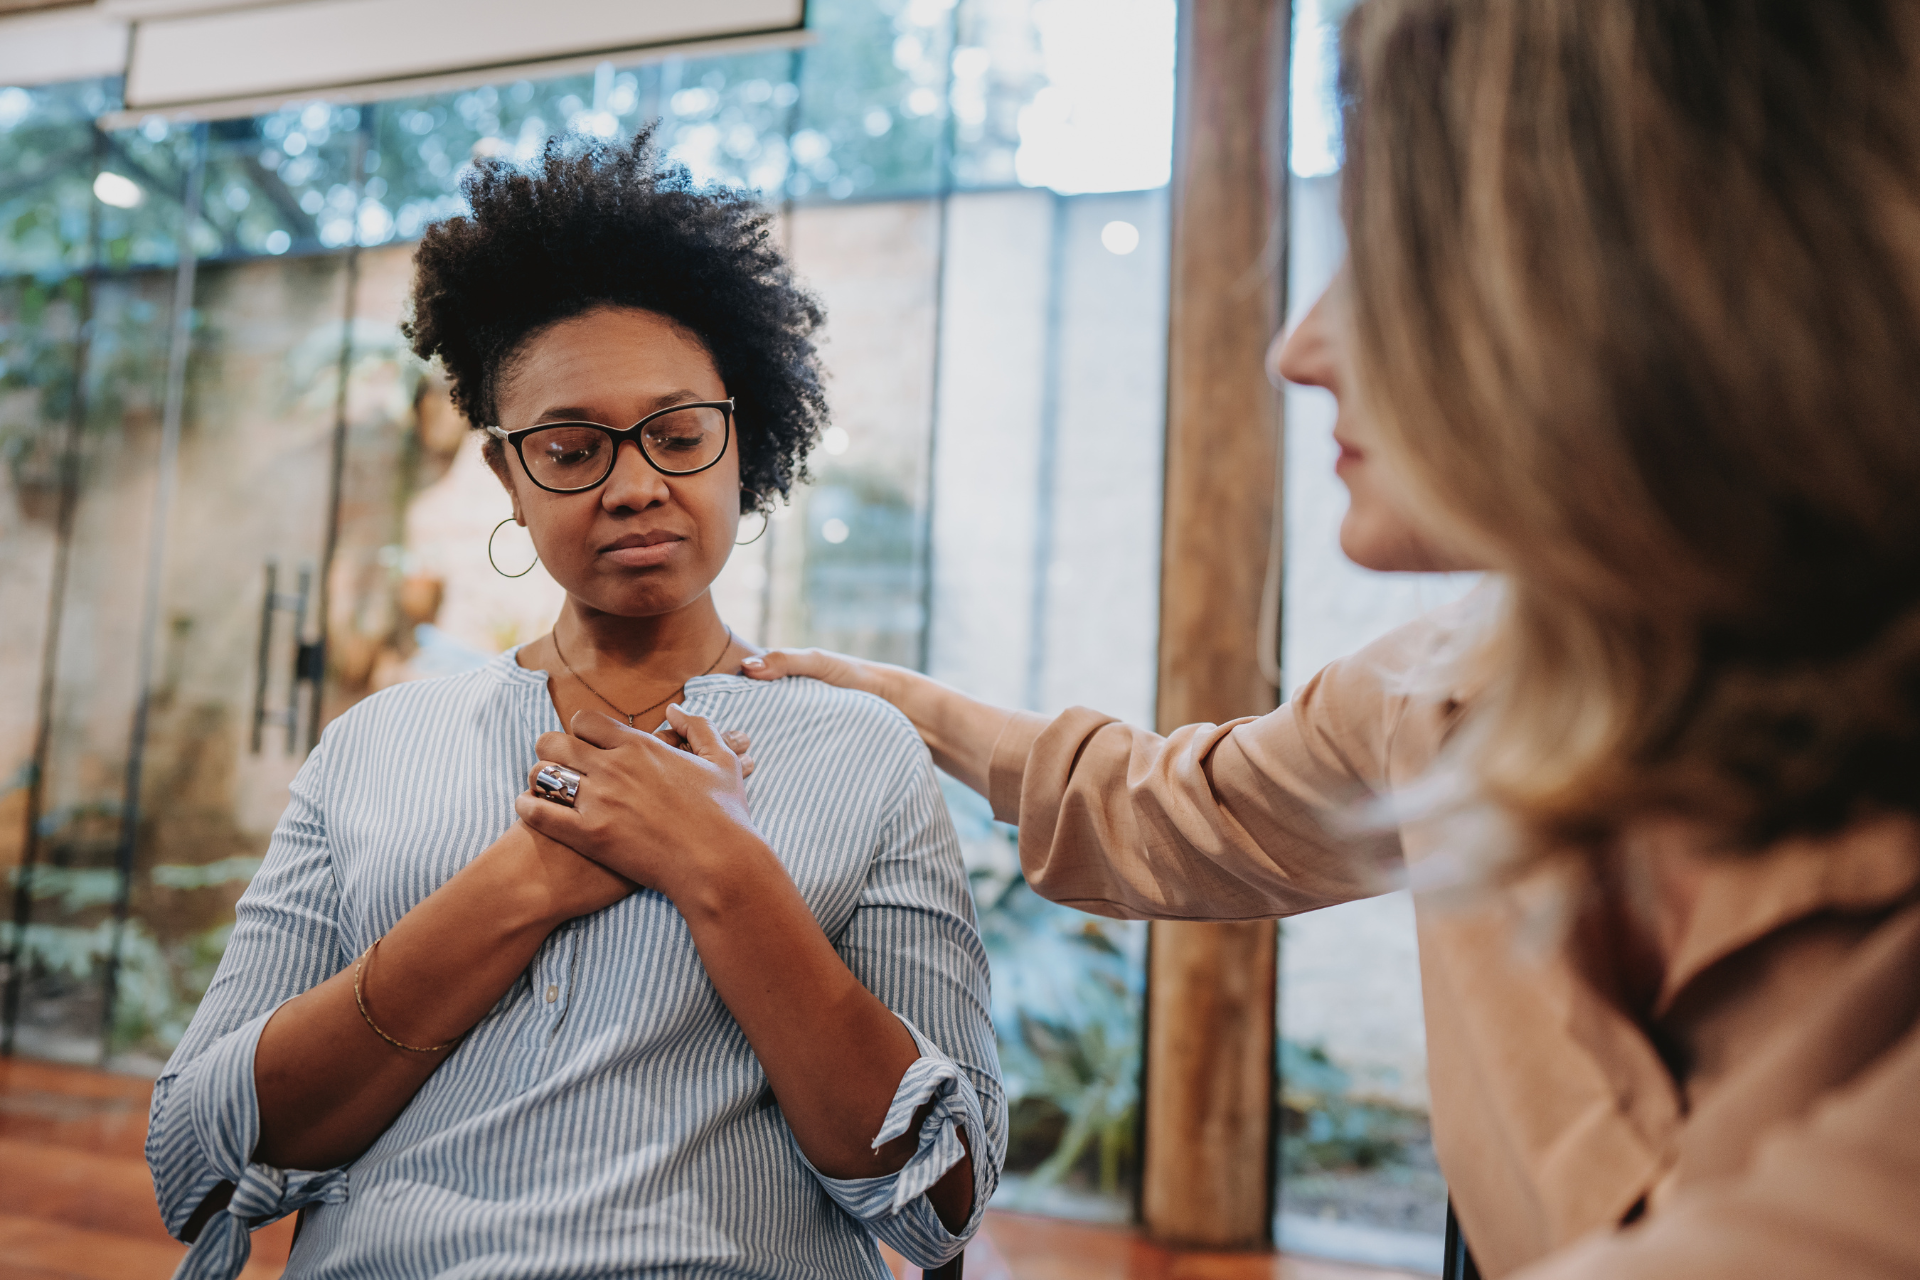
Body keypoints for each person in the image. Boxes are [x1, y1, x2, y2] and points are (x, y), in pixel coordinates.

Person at [749, 1, 1920, 1276]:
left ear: (1651, 281)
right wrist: (883, 702)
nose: (1297, 347)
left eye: (1389, 259)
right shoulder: (1442, 688)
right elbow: (1156, 807)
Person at [147, 131, 1003, 1280]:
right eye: (571, 447)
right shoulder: (374, 745)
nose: (637, 483)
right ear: (507, 473)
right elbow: (195, 1151)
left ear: (742, 443)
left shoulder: (862, 750)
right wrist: (524, 881)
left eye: (680, 433)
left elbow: (943, 1193)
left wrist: (722, 869)